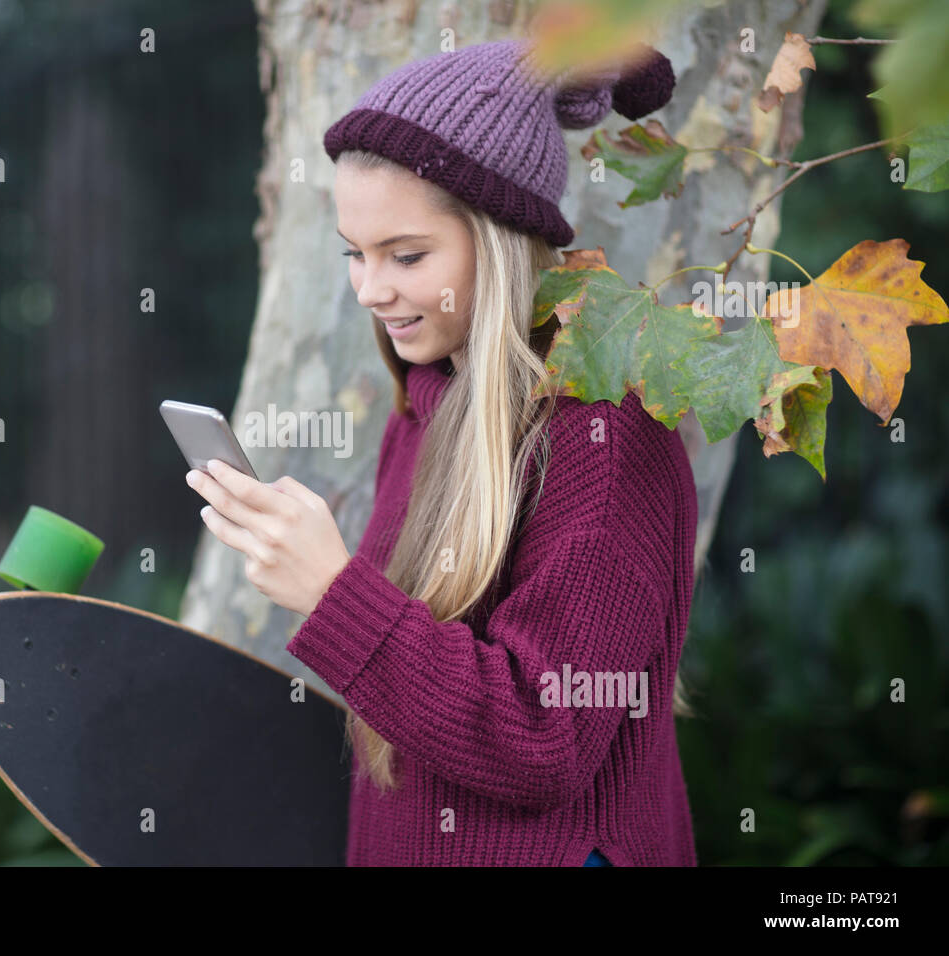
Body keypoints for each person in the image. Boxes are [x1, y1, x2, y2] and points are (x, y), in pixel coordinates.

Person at [185, 36, 697, 866]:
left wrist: (332, 592)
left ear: (500, 240)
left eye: (407, 255)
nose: (370, 289)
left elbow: (546, 737)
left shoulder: (601, 434)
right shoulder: (422, 413)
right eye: (356, 252)